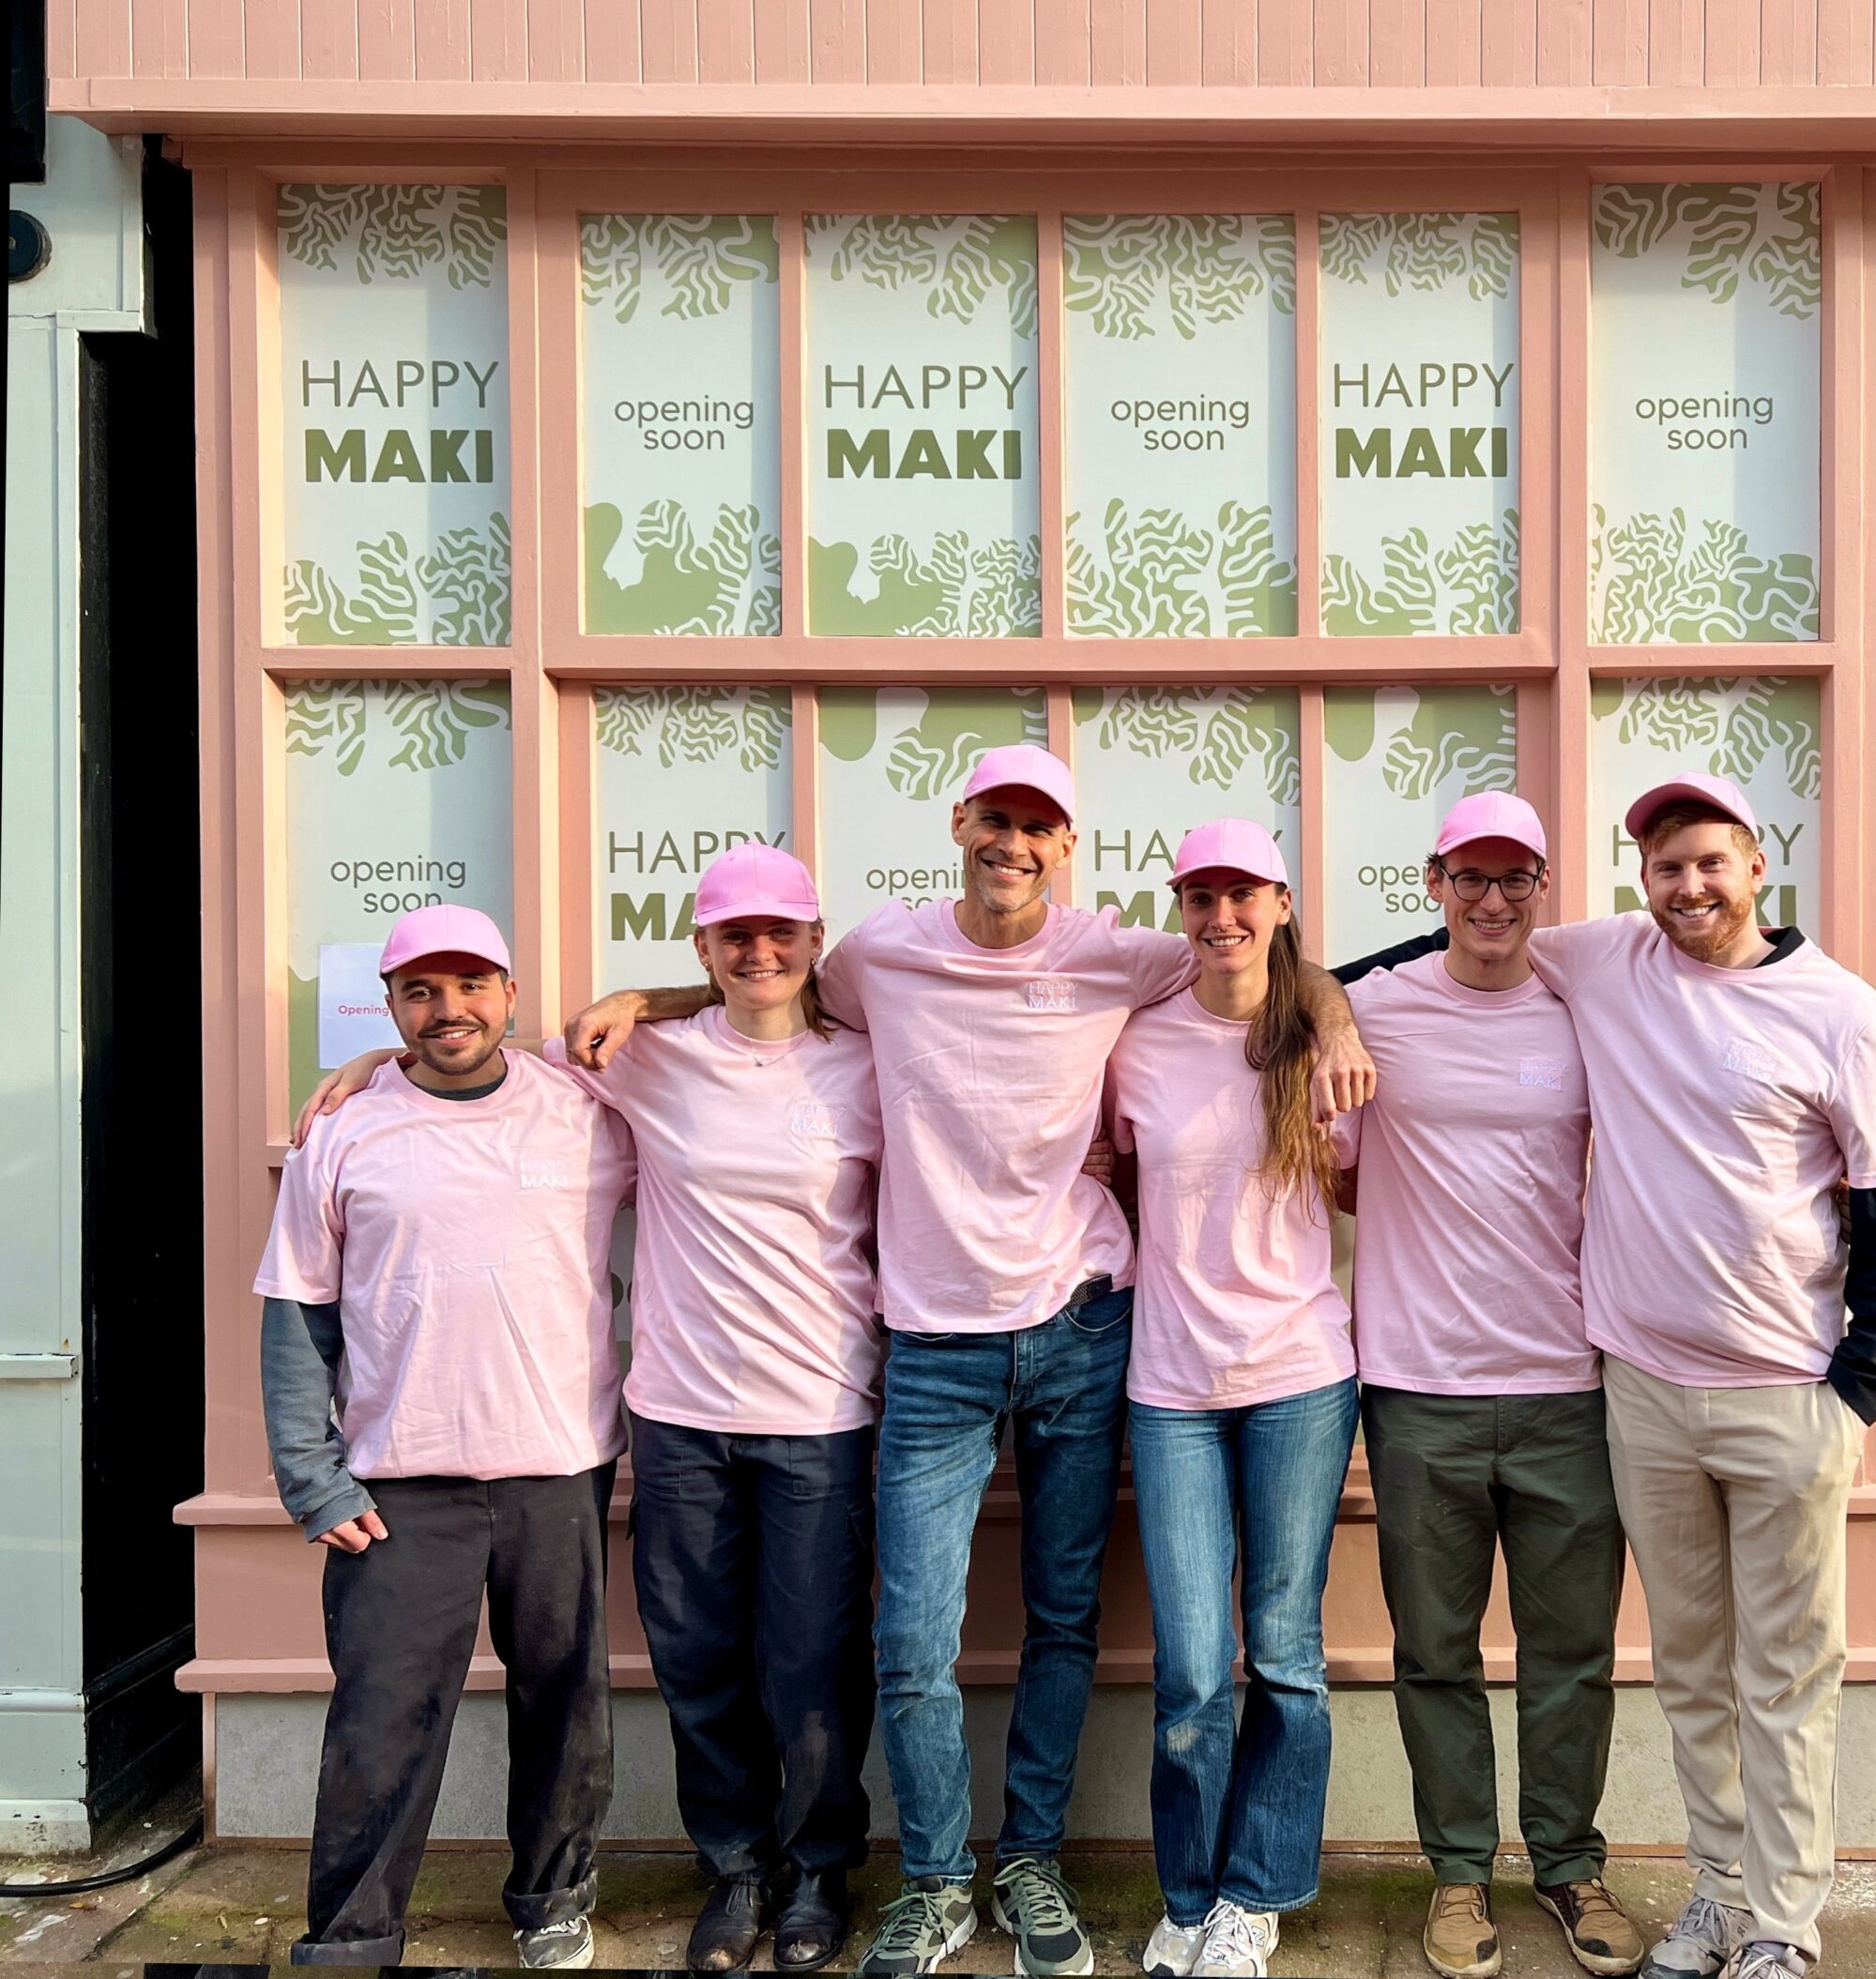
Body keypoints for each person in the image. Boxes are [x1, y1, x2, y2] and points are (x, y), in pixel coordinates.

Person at [566, 745, 1375, 1978]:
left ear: (1068, 847)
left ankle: (1031, 1862)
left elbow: (1268, 963)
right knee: (912, 1638)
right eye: (997, 820)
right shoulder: (876, 954)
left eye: (1040, 828)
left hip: (1081, 1332)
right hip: (932, 1350)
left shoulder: (1121, 953)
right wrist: (646, 1000)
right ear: (960, 824)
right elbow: (758, 981)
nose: (1015, 843)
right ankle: (938, 1878)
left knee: (1063, 1621)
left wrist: (1339, 1012)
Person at [300, 844, 885, 1973]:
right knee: (699, 1659)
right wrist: (378, 1061)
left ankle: (816, 1870)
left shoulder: (866, 1063)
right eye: (732, 935)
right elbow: (481, 1070)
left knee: (813, 1659)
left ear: (817, 942)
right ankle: (737, 1870)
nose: (758, 952)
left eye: (781, 932)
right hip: (676, 1416)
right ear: (702, 948)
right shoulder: (642, 1061)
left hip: (823, 1410)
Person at [1522, 773, 1876, 1979]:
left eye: (1709, 862)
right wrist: (1329, 1011)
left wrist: (1861, 1383)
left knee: (1789, 1672)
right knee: (1693, 1666)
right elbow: (1459, 942)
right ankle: (1714, 1890)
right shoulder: (1608, 963)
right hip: (1643, 1391)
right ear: (1638, 881)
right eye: (1663, 868)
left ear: (1758, 865)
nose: (1687, 887)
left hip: (1784, 1396)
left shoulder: (1841, 1014)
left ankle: (1783, 1924)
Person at [256, 905, 635, 1970]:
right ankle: (353, 1933)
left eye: (471, 985)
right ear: (389, 1008)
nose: (447, 1009)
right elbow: (297, 1312)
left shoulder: (587, 1108)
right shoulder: (344, 1129)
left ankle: (553, 1894)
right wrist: (311, 1482)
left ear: (511, 995)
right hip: (394, 1485)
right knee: (382, 1716)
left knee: (565, 1701)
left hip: (556, 1466)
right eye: (419, 992)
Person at [1335, 792, 1646, 1979]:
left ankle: (1569, 1867)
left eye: (1516, 878)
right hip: (1418, 1386)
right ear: (1434, 883)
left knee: (1570, 1649)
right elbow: (1342, 1172)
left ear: (1544, 889)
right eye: (1471, 876)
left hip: (1570, 1380)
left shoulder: (1583, 1008)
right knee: (1436, 1648)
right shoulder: (1374, 1008)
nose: (1493, 899)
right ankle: (1459, 1876)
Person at [1103, 820, 1363, 1979]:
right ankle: (1189, 1889)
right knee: (1194, 1668)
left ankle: (1257, 1894)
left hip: (1300, 1377)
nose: (1221, 918)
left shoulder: (1319, 1039)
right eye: (1200, 897)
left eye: (1242, 895)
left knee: (1286, 1651)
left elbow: (1357, 1187)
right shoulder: (1139, 1042)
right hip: (1168, 1386)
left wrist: (1332, 1017)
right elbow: (1111, 1172)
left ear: (1280, 900)